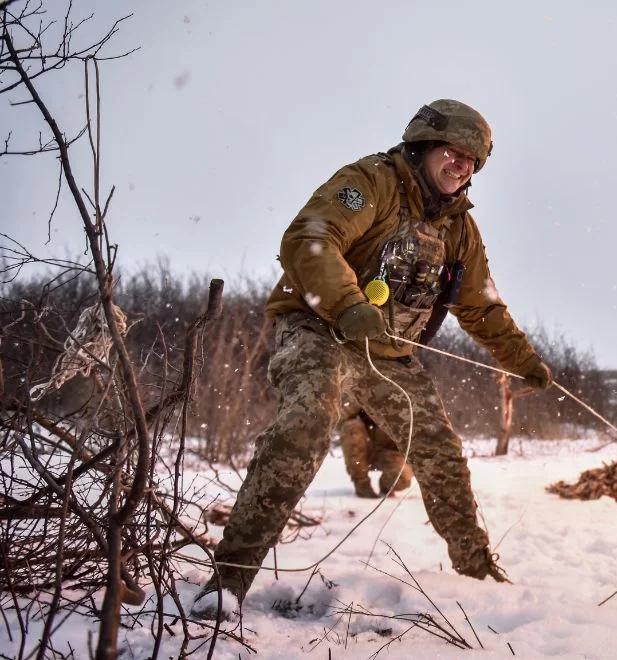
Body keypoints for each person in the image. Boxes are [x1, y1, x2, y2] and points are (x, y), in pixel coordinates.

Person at [193, 99, 553, 618]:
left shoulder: (459, 231)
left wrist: (523, 359)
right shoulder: (372, 181)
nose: (462, 167)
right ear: (425, 145)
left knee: (441, 454)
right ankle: (227, 581)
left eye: (472, 161)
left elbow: (482, 306)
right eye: (453, 153)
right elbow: (310, 238)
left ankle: (478, 574)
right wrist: (348, 305)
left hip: (389, 356)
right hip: (321, 330)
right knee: (306, 426)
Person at [340, 407, 413, 498]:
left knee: (404, 476)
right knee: (352, 426)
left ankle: (386, 484)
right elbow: (342, 415)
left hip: (387, 453)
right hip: (365, 446)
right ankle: (361, 483)